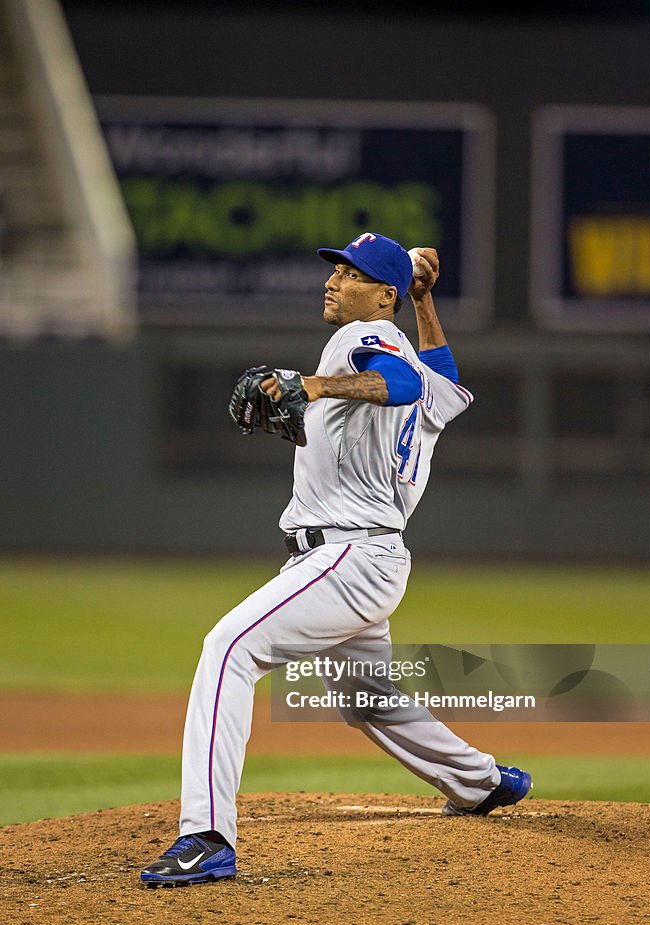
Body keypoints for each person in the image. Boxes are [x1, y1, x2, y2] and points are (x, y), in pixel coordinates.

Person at [141, 232, 531, 887]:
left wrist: (314, 385)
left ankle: (205, 837)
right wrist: (422, 298)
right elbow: (439, 377)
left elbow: (404, 380)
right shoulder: (394, 334)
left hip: (346, 555)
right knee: (365, 697)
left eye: (350, 274)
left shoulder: (357, 339)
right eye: (334, 270)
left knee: (227, 649)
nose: (332, 281)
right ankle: (479, 783)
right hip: (364, 557)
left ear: (380, 298)